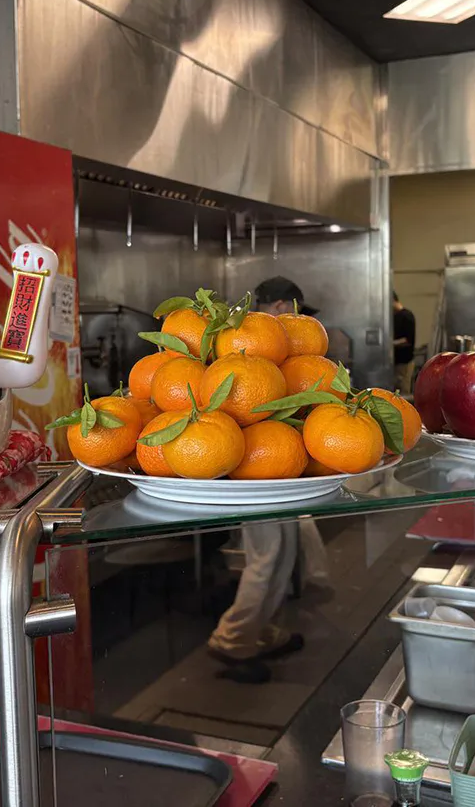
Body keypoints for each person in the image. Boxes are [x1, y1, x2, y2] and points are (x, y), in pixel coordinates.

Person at [206, 277, 329, 683]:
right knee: (267, 555)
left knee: (281, 553)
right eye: (292, 312)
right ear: (279, 305)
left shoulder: (272, 352)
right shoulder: (240, 341)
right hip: (255, 473)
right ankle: (232, 639)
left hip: (276, 468)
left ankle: (258, 630)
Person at [392, 292, 416, 393]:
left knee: (403, 391)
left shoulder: (407, 316)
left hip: (405, 363)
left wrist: (390, 344)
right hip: (396, 363)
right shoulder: (394, 317)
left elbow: (408, 340)